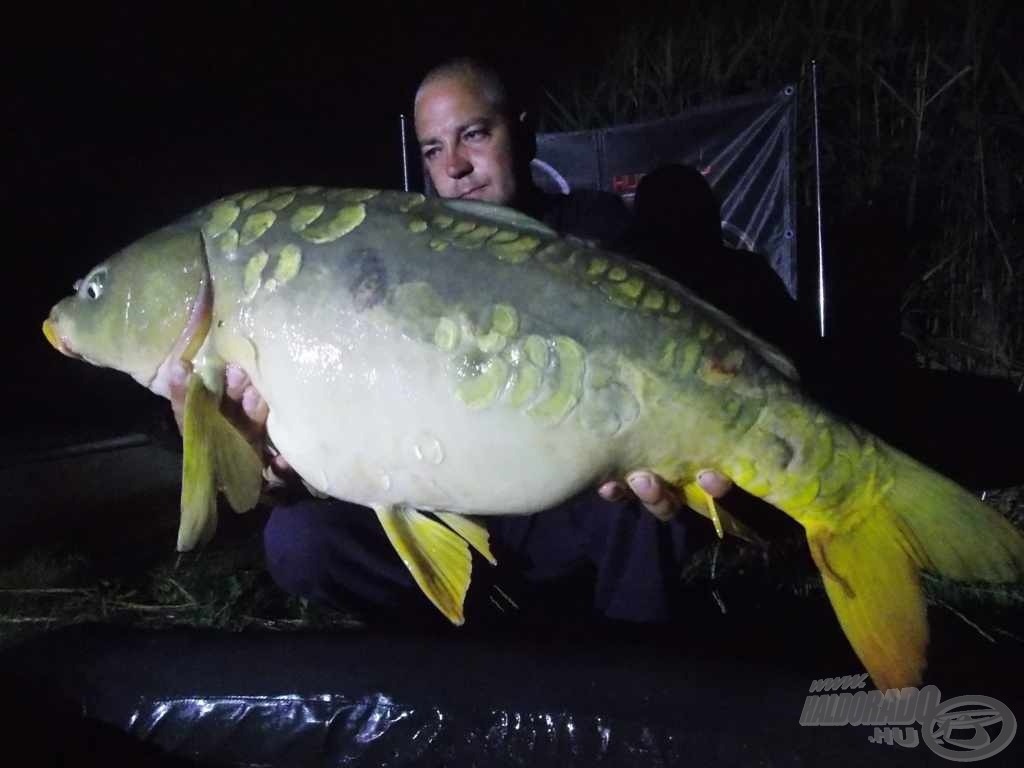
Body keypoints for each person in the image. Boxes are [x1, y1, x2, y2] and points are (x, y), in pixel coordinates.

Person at [167, 57, 733, 626]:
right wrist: (273, 458)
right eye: (434, 149)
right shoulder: (398, 258)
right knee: (300, 538)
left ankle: (631, 677)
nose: (456, 167)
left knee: (644, 502)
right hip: (444, 508)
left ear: (524, 130)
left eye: (474, 135)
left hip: (568, 505)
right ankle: (457, 657)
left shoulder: (594, 234)